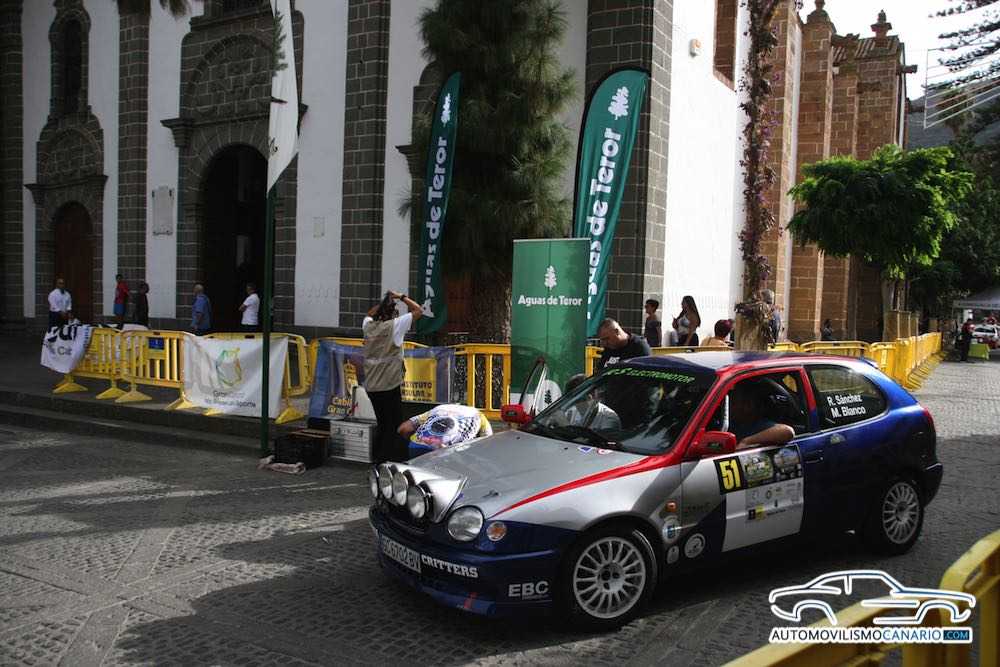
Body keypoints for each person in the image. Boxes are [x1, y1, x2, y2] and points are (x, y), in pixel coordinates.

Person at [363, 290, 423, 463]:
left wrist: (385, 302)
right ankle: (391, 460)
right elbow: (419, 310)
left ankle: (377, 460)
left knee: (382, 424)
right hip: (389, 385)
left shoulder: (368, 326)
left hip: (372, 386)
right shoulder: (395, 326)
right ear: (392, 315)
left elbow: (369, 314)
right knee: (395, 426)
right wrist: (400, 297)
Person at [398, 404, 492, 455]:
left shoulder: (439, 409)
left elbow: (403, 428)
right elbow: (489, 443)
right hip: (444, 451)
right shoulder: (478, 415)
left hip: (416, 446)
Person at [729, 382, 795, 450]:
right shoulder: (730, 423)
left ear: (748, 405)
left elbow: (787, 432)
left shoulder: (759, 425)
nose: (730, 407)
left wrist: (746, 442)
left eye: (734, 403)